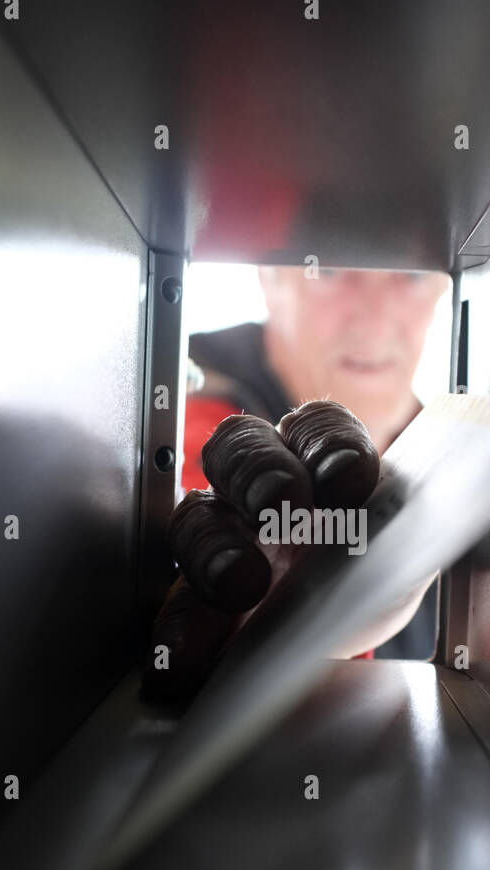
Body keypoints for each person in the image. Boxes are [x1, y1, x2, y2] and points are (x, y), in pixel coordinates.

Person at [181, 265, 450, 660]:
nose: (374, 320)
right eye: (330, 271)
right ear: (268, 279)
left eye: (412, 275)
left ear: (443, 289)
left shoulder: (460, 456)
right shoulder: (183, 411)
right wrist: (296, 630)